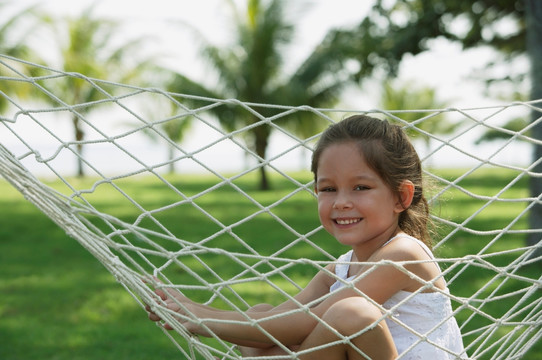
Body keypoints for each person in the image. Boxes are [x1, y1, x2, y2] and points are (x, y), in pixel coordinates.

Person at [145, 115, 467, 359]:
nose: (341, 201)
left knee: (352, 314)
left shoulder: (405, 254)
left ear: (401, 197)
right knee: (260, 314)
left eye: (361, 187)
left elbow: (304, 322)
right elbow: (281, 318)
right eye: (328, 189)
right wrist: (196, 308)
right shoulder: (340, 270)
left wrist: (202, 322)